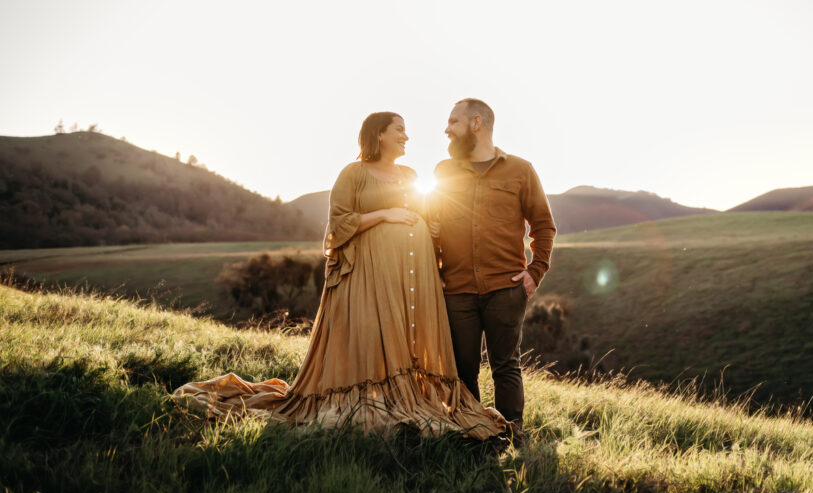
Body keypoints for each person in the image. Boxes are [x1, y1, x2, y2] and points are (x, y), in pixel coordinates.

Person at [173, 112, 505, 441]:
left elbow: (427, 216)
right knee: (374, 332)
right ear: (378, 135)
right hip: (369, 272)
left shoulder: (410, 173)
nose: (406, 136)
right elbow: (340, 223)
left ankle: (412, 398)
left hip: (413, 275)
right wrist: (384, 214)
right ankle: (377, 400)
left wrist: (438, 247)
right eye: (399, 130)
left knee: (407, 337)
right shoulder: (354, 173)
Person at [430, 98, 556, 445]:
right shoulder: (444, 171)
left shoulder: (520, 170)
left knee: (506, 367)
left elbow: (544, 225)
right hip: (456, 288)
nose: (446, 129)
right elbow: (431, 224)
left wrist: (536, 270)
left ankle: (513, 435)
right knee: (463, 369)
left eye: (453, 121)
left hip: (506, 288)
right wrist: (432, 266)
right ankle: (474, 435)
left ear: (476, 124)